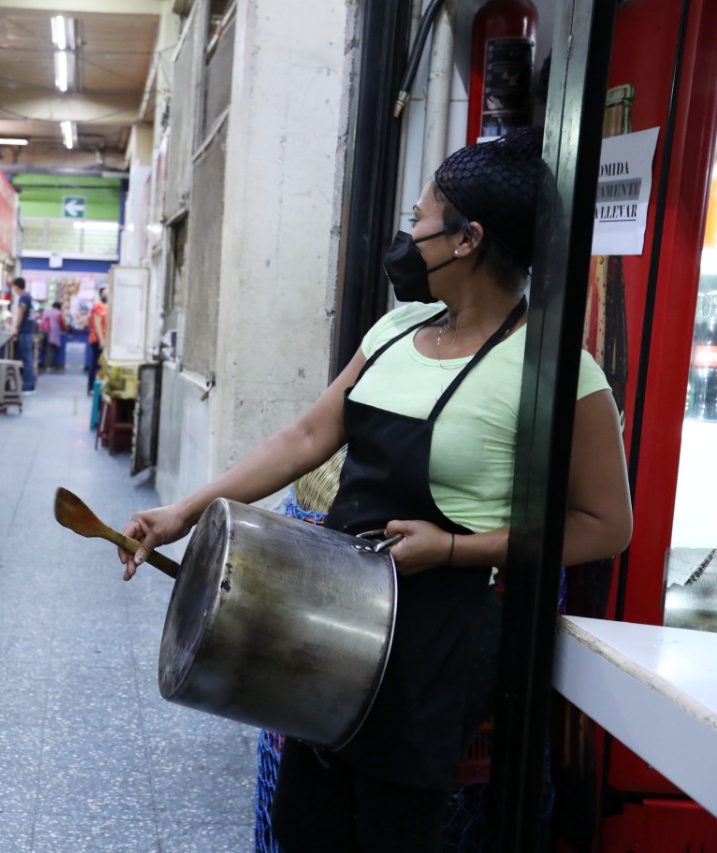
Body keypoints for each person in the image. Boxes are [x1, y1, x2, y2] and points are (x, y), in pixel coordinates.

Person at [116, 129, 633, 852]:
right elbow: (303, 439)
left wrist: (455, 548)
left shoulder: (557, 369)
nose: (408, 235)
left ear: (467, 240)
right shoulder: (396, 330)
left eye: (419, 220)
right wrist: (183, 512)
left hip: (433, 651)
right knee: (306, 829)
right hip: (324, 629)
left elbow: (605, 524)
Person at [10, 276, 37, 392]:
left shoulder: (23, 298)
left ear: (16, 286)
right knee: (28, 358)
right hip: (29, 332)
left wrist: (15, 327)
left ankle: (28, 385)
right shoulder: (28, 296)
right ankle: (29, 383)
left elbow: (20, 314)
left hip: (25, 332)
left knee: (26, 359)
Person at [88, 286, 108, 394]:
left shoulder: (108, 307)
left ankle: (99, 387)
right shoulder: (98, 307)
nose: (107, 295)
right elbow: (97, 324)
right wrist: (101, 339)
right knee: (96, 363)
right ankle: (91, 387)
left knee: (102, 364)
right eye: (104, 293)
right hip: (98, 339)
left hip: (105, 340)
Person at [40, 300, 65, 370]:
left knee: (42, 347)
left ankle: (40, 363)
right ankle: (47, 365)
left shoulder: (46, 311)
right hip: (51, 331)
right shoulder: (58, 313)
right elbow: (61, 323)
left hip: (42, 330)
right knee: (50, 348)